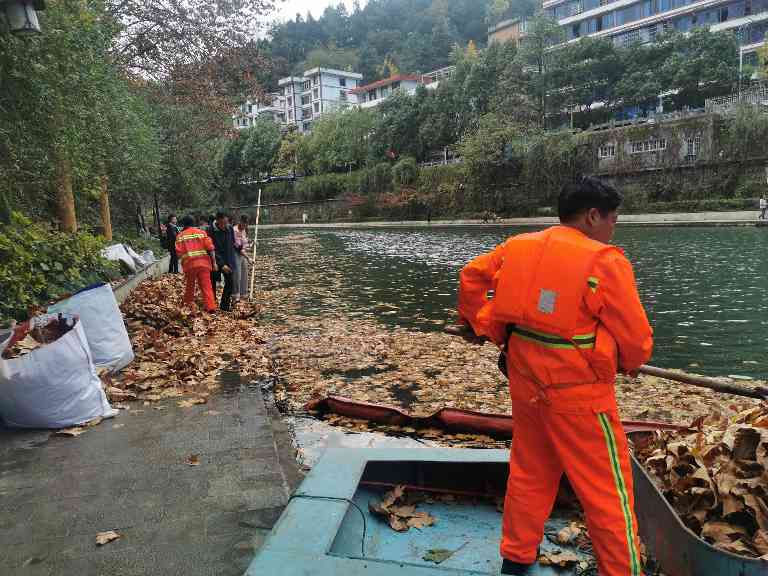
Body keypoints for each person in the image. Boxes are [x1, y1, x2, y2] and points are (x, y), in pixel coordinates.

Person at [456, 176, 653, 576]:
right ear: (593, 215)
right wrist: (628, 362)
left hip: (526, 385)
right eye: (613, 220)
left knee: (529, 473)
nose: (614, 229)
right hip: (580, 398)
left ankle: (516, 558)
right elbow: (636, 339)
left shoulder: (518, 247)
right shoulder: (604, 262)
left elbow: (471, 277)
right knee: (607, 494)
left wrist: (484, 325)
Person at [175, 215, 217, 313]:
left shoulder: (180, 236)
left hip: (190, 265)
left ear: (184, 224)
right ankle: (211, 307)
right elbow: (211, 249)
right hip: (204, 264)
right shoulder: (202, 233)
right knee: (207, 286)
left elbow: (179, 254)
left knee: (190, 286)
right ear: (194, 223)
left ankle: (187, 305)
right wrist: (214, 263)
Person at [210, 212, 237, 312]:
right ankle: (212, 305)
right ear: (217, 220)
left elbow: (232, 244)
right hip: (215, 262)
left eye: (226, 223)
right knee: (212, 282)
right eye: (222, 223)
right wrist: (221, 264)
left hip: (228, 260)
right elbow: (212, 249)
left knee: (230, 283)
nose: (224, 225)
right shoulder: (211, 230)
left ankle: (224, 306)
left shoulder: (229, 228)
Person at [232, 214, 251, 301]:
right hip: (236, 254)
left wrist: (251, 243)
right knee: (237, 274)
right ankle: (236, 295)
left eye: (247, 224)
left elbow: (245, 244)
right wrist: (248, 258)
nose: (245, 226)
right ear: (240, 221)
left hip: (243, 253)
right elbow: (239, 248)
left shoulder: (244, 230)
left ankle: (244, 293)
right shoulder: (234, 231)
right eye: (244, 224)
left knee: (245, 272)